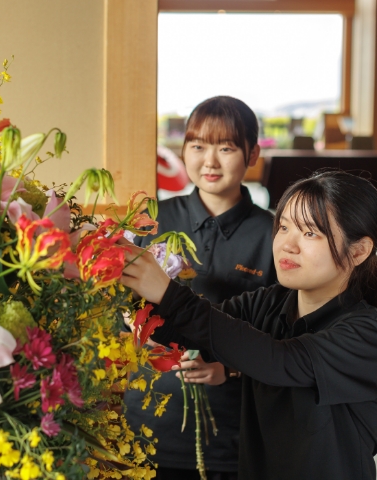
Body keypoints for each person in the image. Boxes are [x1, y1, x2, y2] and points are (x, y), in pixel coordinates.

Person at [121, 170, 377, 480]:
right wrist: (125, 285)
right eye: (283, 227)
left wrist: (169, 293)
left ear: (358, 250)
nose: (287, 245)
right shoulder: (271, 301)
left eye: (310, 233)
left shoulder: (368, 333)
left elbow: (278, 360)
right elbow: (191, 333)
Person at [124, 96, 277, 480]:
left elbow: (282, 336)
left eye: (225, 148)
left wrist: (228, 369)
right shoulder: (151, 221)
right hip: (146, 422)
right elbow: (118, 305)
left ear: (253, 153)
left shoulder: (275, 234)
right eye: (198, 146)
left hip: (228, 433)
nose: (210, 162)